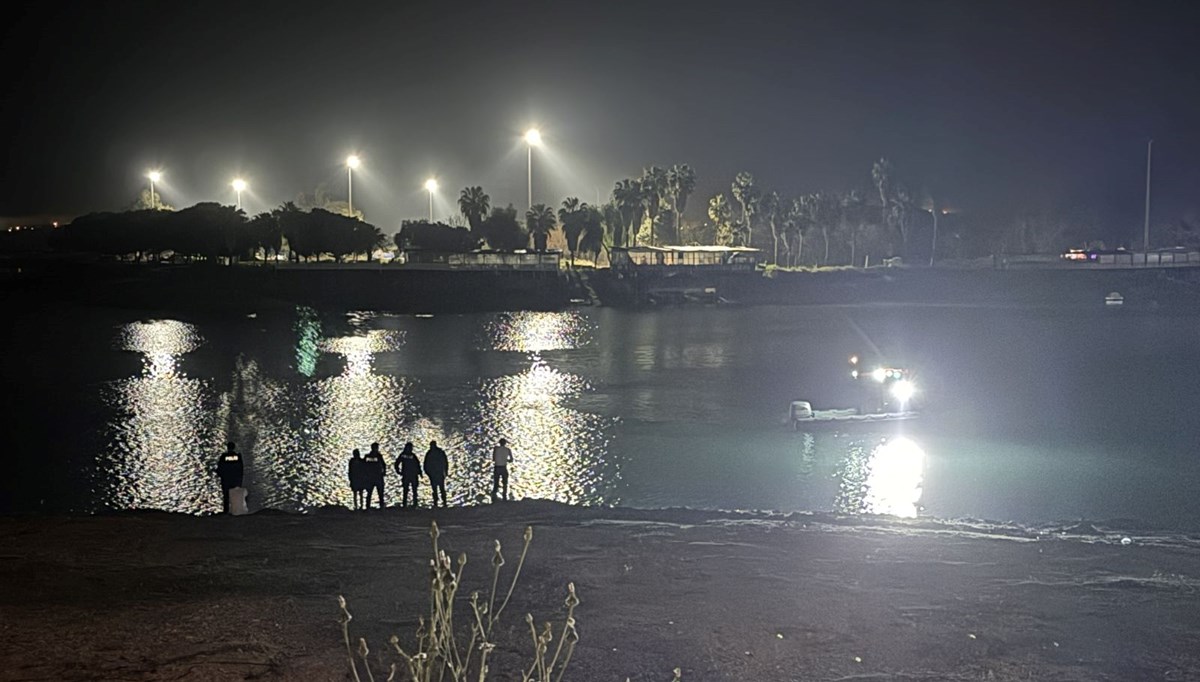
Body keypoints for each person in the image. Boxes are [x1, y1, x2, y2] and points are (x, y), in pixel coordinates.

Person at [215, 442, 244, 514]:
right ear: (234, 447)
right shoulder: (238, 456)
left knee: (226, 496)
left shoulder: (224, 456)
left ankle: (226, 511)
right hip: (236, 479)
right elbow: (241, 469)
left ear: (227, 447)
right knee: (235, 495)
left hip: (226, 479)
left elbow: (220, 468)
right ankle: (236, 511)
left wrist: (218, 474)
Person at [394, 442, 422, 508]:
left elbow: (397, 463)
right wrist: (419, 472)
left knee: (407, 490)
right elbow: (417, 464)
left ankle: (406, 504)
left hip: (407, 474)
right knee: (412, 490)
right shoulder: (412, 455)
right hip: (411, 474)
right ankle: (413, 504)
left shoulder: (403, 455)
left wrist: (398, 471)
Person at [423, 440, 449, 508]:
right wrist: (445, 471)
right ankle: (441, 502)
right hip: (436, 473)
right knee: (439, 489)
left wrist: (427, 472)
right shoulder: (439, 452)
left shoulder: (430, 453)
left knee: (438, 489)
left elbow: (425, 464)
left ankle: (440, 502)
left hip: (436, 473)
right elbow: (445, 462)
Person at [362, 443, 386, 509]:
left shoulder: (367, 456)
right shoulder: (379, 456)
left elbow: (363, 466)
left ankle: (368, 507)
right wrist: (383, 473)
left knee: (370, 493)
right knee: (380, 492)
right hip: (377, 476)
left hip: (370, 477)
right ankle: (381, 506)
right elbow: (383, 465)